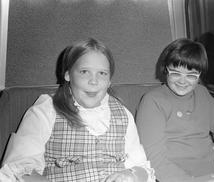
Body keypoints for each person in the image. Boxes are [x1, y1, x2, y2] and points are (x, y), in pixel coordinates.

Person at [0, 38, 155, 182]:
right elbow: (19, 168)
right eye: (84, 72)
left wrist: (130, 174)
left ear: (109, 81)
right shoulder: (47, 109)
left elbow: (141, 166)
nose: (94, 81)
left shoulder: (123, 114)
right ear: (68, 74)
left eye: (102, 73)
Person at [136, 38, 214, 182]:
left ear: (200, 74)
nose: (182, 81)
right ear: (165, 69)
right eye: (176, 73)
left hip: (212, 175)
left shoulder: (203, 94)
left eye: (191, 75)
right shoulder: (152, 101)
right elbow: (154, 159)